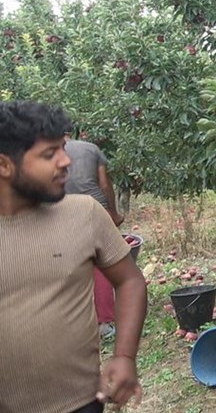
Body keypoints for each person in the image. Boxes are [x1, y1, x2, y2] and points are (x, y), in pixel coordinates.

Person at [0, 101, 147, 413]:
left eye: (63, 148)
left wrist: (124, 356)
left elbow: (130, 281)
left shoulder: (83, 213)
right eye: (49, 154)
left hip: (80, 403)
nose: (66, 160)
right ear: (4, 165)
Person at [66, 137, 124, 340]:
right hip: (95, 208)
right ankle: (104, 323)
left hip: (64, 213)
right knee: (102, 265)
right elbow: (104, 184)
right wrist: (113, 213)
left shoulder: (43, 152)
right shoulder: (91, 148)